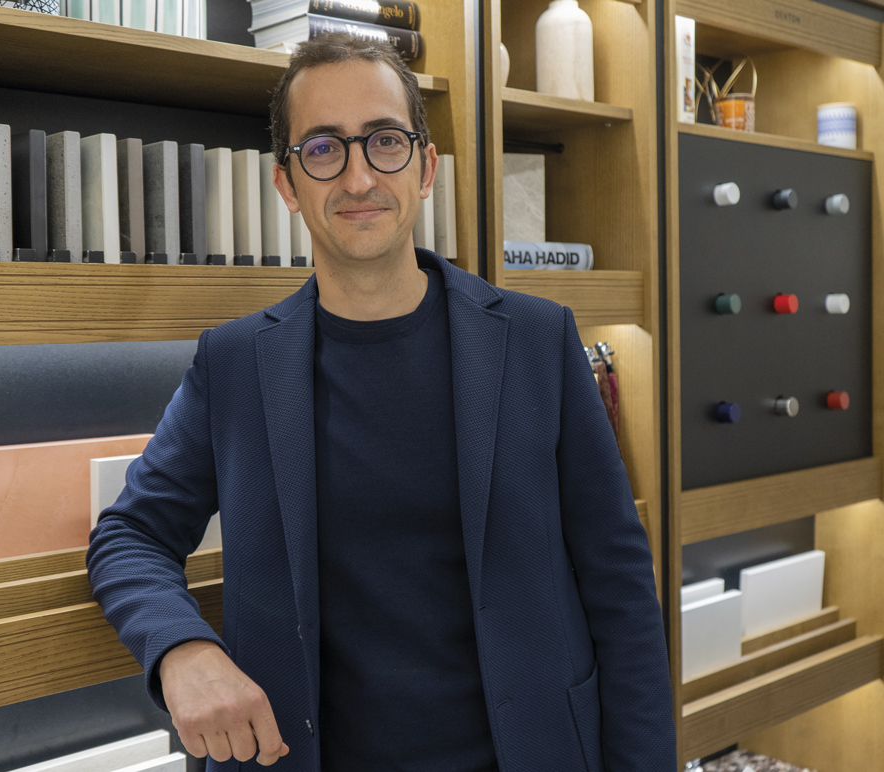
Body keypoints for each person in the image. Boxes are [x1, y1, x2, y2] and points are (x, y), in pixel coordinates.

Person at [87, 32, 676, 772]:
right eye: (324, 149)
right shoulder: (233, 365)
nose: (359, 177)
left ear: (425, 169)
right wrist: (182, 649)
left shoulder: (537, 341)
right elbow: (129, 535)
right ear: (286, 184)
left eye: (385, 141)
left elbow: (619, 583)